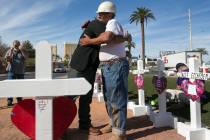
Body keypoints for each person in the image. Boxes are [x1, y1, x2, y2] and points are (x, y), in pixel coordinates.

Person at [80, 1, 131, 139]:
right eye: (99, 13)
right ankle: (113, 124)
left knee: (117, 98)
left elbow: (108, 37)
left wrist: (89, 41)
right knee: (109, 98)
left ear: (110, 14)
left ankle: (119, 133)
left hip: (115, 64)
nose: (99, 16)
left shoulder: (112, 23)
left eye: (102, 13)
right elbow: (124, 37)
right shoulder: (110, 25)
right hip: (109, 65)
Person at [5, 40, 27, 106]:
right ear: (13, 45)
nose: (16, 46)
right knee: (10, 86)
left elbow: (26, 57)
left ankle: (19, 99)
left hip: (20, 71)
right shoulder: (9, 51)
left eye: (18, 44)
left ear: (20, 45)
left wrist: (22, 50)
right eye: (15, 45)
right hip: (12, 71)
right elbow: (8, 59)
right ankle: (9, 100)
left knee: (20, 86)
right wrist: (11, 51)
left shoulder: (23, 51)